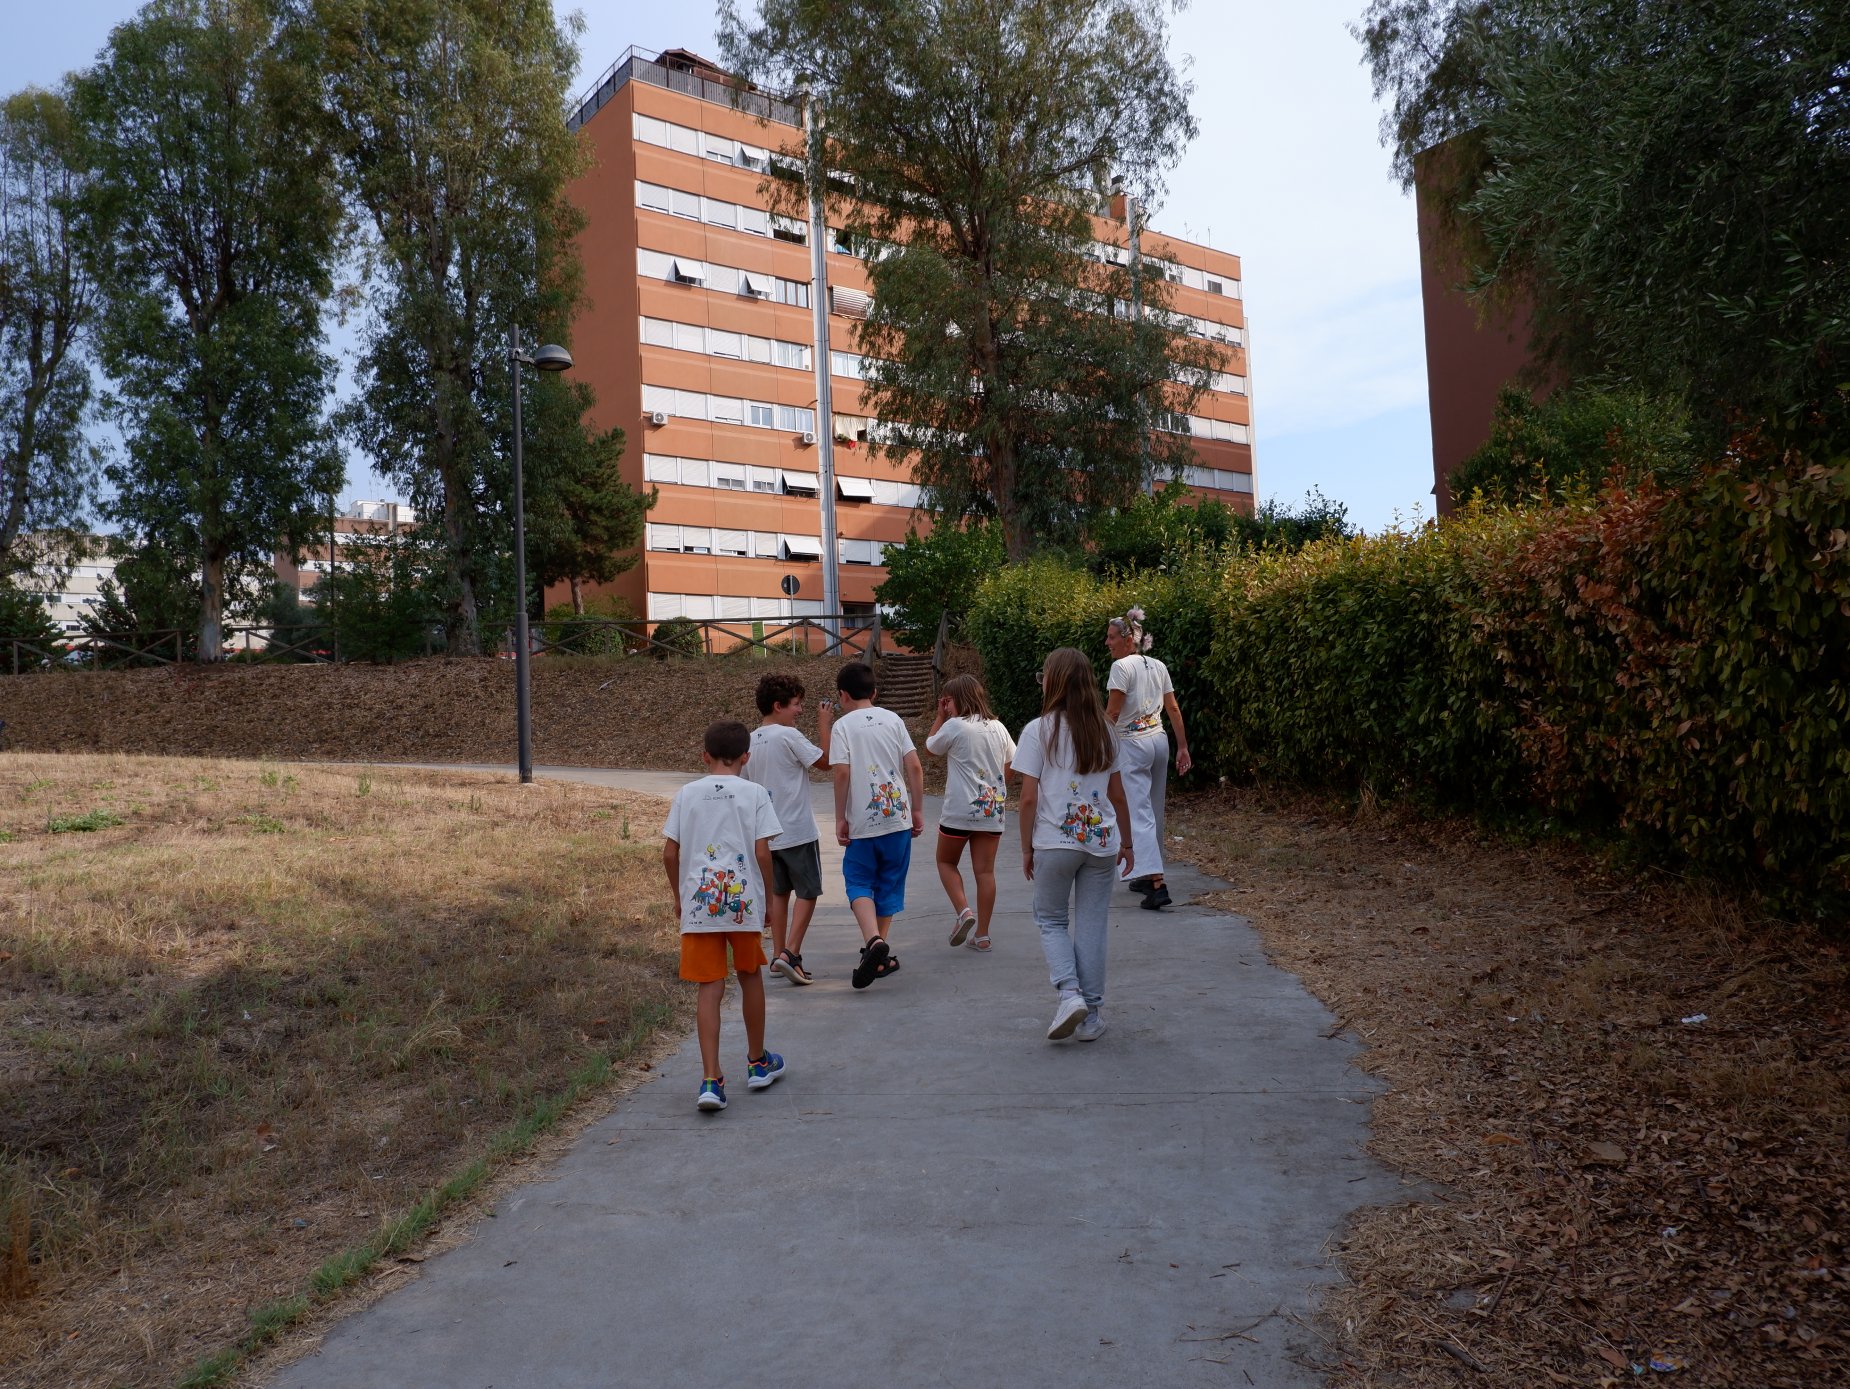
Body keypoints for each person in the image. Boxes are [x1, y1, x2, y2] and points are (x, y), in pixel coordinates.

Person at [662, 720, 787, 1112]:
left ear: (704, 756)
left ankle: (711, 1080)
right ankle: (756, 1062)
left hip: (700, 904)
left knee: (709, 986)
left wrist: (679, 897)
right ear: (746, 758)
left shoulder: (686, 793)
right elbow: (763, 853)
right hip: (743, 904)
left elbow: (669, 853)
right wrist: (767, 898)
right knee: (750, 976)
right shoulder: (754, 794)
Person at [1014, 648, 1134, 1042]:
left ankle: (1069, 993)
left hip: (1055, 841)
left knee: (1050, 919)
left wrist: (1027, 847)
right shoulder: (1106, 731)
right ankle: (1092, 1015)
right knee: (1093, 925)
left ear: (1055, 682)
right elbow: (1118, 795)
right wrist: (1128, 844)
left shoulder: (1038, 730)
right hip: (1101, 843)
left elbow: (1028, 798)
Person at [829, 660, 925, 989]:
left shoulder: (843, 727)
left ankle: (873, 942)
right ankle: (878, 951)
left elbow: (841, 772)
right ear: (874, 692)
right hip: (897, 819)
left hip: (863, 824)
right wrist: (918, 809)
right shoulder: (894, 719)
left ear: (842, 696)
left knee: (858, 882)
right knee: (888, 885)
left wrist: (840, 816)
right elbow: (914, 766)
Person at [741, 672, 834, 986]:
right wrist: (825, 722)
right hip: (797, 831)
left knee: (779, 893)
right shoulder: (788, 736)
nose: (800, 710)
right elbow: (825, 762)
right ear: (778, 706)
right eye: (796, 705)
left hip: (766, 835)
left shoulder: (750, 741)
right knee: (809, 892)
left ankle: (779, 954)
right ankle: (790, 954)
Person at [1105, 606, 1191, 910]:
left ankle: (1157, 884)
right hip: (1158, 740)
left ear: (1129, 640)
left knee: (1136, 812)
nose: (1107, 643)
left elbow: (1113, 713)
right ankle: (1144, 874)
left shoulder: (1121, 668)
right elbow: (1174, 709)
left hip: (1132, 744)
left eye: (1112, 637)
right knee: (1152, 810)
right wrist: (1182, 747)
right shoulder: (1158, 665)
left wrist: (1097, 743)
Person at [924, 674, 1015, 952]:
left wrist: (939, 717)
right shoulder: (998, 727)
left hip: (959, 812)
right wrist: (999, 786)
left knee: (945, 862)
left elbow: (930, 748)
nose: (946, 705)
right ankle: (983, 936)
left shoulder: (954, 726)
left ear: (958, 700)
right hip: (991, 811)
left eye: (947, 700)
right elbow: (1013, 761)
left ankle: (964, 911)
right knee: (985, 872)